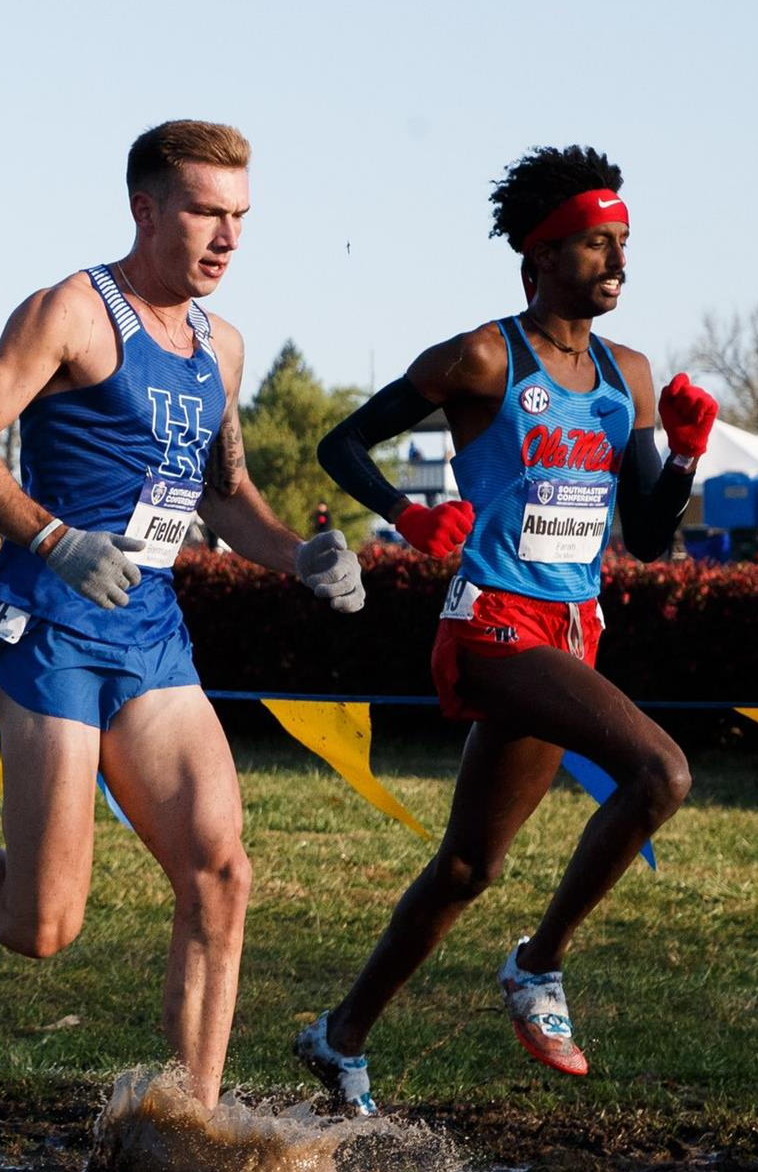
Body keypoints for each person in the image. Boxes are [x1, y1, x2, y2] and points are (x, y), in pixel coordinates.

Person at [0, 121, 364, 1110]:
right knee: (43, 925)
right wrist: (57, 538)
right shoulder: (71, 311)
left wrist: (297, 555)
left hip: (146, 631)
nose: (225, 237)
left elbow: (223, 496)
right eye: (204, 212)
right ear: (146, 209)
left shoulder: (219, 347)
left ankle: (185, 1118)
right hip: (46, 625)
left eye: (239, 217)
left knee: (218, 873)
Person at [298, 146, 715, 1114]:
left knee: (465, 866)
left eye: (620, 244)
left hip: (569, 634)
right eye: (591, 245)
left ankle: (337, 1036)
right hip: (489, 622)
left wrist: (685, 454)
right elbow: (338, 443)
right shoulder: (484, 358)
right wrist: (408, 518)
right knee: (662, 774)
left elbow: (648, 541)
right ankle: (536, 966)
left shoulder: (630, 376)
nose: (613, 262)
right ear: (535, 261)